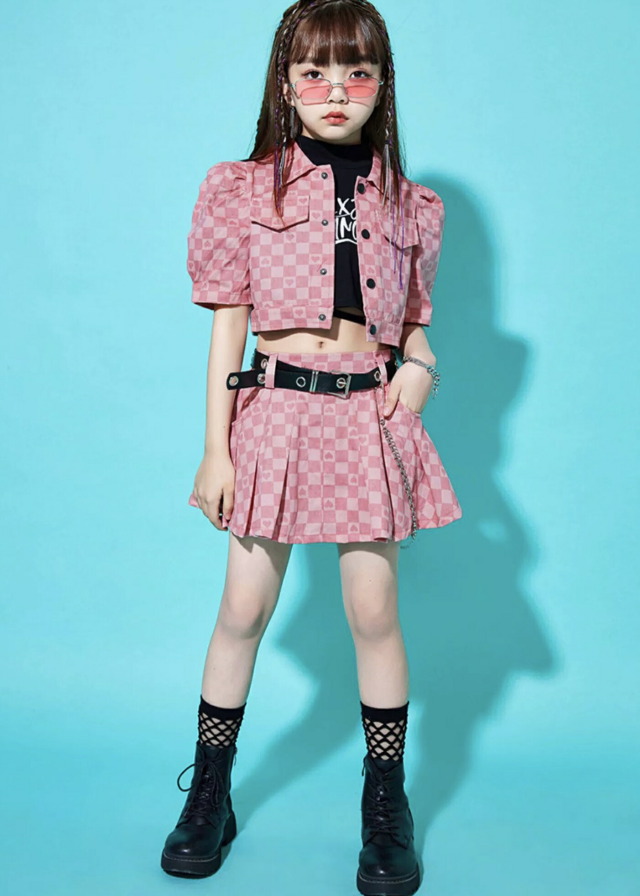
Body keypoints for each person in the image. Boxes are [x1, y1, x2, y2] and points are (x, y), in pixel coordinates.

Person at [160, 1, 462, 893]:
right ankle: (210, 794)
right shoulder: (242, 189)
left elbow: (413, 322)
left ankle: (386, 807)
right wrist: (215, 449)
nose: (336, 91)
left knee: (374, 613)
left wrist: (421, 367)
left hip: (368, 418)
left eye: (357, 73)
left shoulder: (414, 205)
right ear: (285, 85)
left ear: (383, 85)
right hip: (276, 411)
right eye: (315, 73)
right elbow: (228, 326)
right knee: (242, 610)